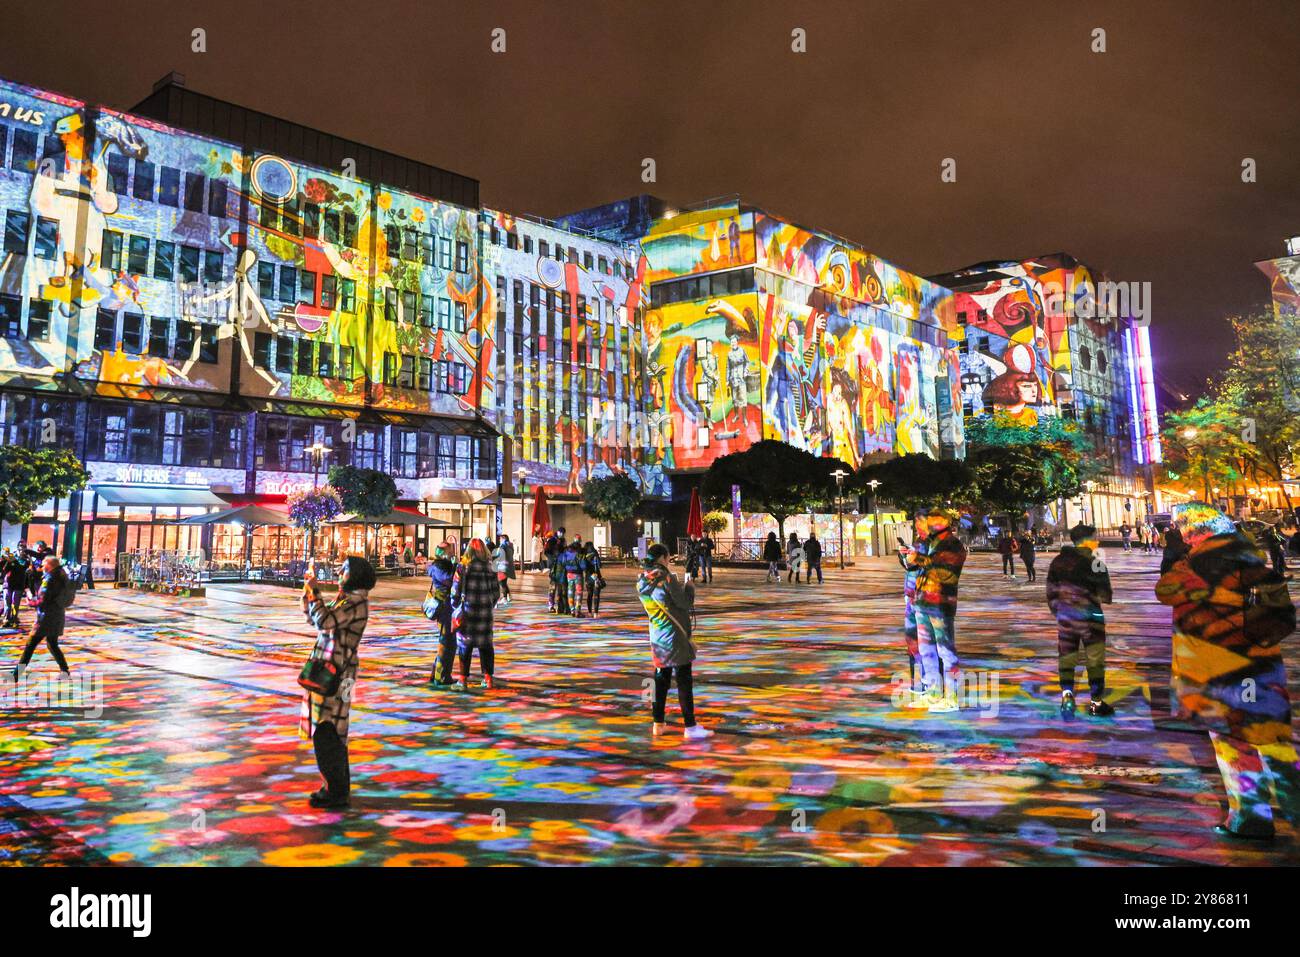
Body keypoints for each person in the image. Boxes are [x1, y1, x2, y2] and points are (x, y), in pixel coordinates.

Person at [1156, 502, 1298, 841]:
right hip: (1262, 667)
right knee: (1275, 743)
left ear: (1195, 529)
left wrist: (1174, 556)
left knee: (1234, 745)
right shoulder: (1251, 556)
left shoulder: (1200, 562)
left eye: (1181, 527)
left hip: (1220, 668)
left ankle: (1251, 819)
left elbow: (1165, 591)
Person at [300, 555, 374, 809]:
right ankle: (335, 787)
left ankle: (336, 790)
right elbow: (315, 620)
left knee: (328, 729)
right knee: (332, 729)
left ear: (355, 575)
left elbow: (325, 620)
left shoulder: (354, 602)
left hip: (339, 674)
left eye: (345, 569)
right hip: (333, 670)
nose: (340, 572)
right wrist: (309, 591)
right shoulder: (345, 599)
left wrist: (315, 592)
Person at [636, 542, 712, 740]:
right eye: (668, 557)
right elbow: (684, 603)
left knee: (660, 681)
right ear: (662, 557)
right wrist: (689, 587)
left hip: (657, 637)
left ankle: (658, 723)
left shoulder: (642, 580)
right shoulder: (667, 578)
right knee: (684, 681)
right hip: (675, 638)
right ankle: (690, 726)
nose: (669, 561)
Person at [1046, 523, 1114, 718]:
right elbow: (1106, 594)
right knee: (1095, 659)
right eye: (1095, 538)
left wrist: (1059, 610)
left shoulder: (1058, 561)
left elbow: (1051, 591)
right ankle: (1096, 702)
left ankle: (1067, 695)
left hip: (1066, 617)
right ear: (1086, 541)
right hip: (1090, 617)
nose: (1098, 541)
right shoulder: (1096, 562)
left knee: (1067, 657)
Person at [908, 509, 968, 712]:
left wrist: (920, 559)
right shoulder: (930, 543)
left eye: (932, 521)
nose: (926, 524)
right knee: (927, 651)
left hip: (940, 605)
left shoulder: (953, 545)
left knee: (945, 651)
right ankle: (933, 694)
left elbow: (945, 574)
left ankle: (951, 698)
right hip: (923, 602)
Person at [451, 538, 501, 689]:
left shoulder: (462, 568)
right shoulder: (490, 568)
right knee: (486, 645)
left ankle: (463, 680)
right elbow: (496, 592)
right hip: (485, 613)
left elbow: (455, 591)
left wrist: (455, 606)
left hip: (467, 611)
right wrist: (488, 603)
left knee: (465, 646)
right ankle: (488, 679)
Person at [12, 555, 71, 681]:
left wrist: (29, 600)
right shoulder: (60, 576)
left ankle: (16, 674)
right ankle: (64, 670)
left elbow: (42, 600)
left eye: (44, 565)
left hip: (46, 618)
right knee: (52, 644)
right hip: (57, 615)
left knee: (30, 645)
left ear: (50, 566)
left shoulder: (50, 579)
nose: (42, 567)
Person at [898, 513, 930, 697]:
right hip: (911, 603)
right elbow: (908, 564)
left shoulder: (928, 549)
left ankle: (927, 683)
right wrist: (905, 554)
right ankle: (916, 682)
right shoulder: (918, 549)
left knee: (924, 644)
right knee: (912, 644)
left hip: (923, 604)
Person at [427, 544, 458, 685]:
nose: (452, 553)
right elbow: (450, 580)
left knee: (448, 641)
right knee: (447, 641)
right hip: (445, 607)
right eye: (450, 551)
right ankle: (441, 675)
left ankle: (438, 673)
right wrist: (456, 567)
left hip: (447, 606)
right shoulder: (439, 567)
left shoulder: (442, 565)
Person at [561, 535, 586, 618]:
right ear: (580, 541)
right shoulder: (580, 551)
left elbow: (563, 562)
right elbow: (583, 565)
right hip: (578, 574)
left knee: (570, 592)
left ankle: (572, 610)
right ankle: (578, 611)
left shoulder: (567, 551)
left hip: (569, 574)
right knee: (579, 592)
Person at [2, 550, 28, 630]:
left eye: (22, 551)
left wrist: (14, 561)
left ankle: (14, 620)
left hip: (18, 586)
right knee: (7, 604)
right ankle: (6, 620)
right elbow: (4, 569)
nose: (21, 553)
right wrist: (8, 561)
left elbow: (23, 568)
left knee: (15, 604)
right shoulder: (8, 561)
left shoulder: (25, 561)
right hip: (8, 585)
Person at [582, 540, 605, 618]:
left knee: (589, 594)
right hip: (596, 576)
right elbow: (600, 565)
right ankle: (595, 613)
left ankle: (589, 612)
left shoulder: (584, 554)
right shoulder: (595, 553)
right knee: (596, 595)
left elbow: (584, 567)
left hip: (588, 577)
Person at [491, 539, 512, 606]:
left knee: (502, 584)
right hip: (504, 568)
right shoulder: (507, 548)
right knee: (504, 584)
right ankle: (507, 596)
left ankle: (505, 598)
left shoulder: (502, 549)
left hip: (501, 569)